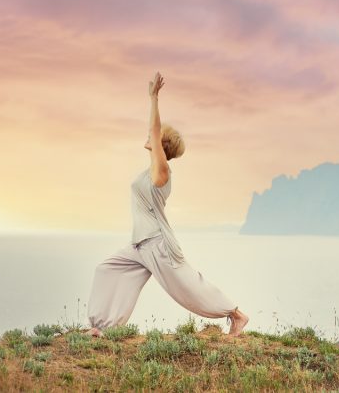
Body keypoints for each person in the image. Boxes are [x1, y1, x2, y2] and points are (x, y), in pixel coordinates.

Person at [85, 71, 249, 337]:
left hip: (158, 246)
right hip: (139, 244)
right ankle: (101, 327)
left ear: (161, 145)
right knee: (106, 269)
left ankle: (236, 314)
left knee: (188, 288)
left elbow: (154, 129)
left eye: (155, 136)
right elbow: (153, 132)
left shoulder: (162, 174)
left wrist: (153, 99)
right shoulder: (149, 172)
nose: (148, 136)